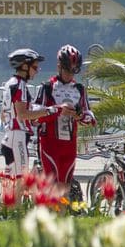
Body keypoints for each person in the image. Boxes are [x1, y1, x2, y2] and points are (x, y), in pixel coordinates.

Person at [37, 44, 97, 194]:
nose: (70, 74)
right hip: (49, 144)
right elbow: (34, 117)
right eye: (67, 70)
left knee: (64, 189)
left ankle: (62, 217)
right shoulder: (47, 87)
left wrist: (80, 116)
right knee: (51, 188)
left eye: (74, 71)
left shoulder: (79, 89)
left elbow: (90, 117)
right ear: (59, 66)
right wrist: (58, 111)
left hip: (69, 146)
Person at [0, 47, 59, 178]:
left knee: (11, 181)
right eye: (35, 68)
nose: (37, 71)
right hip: (18, 138)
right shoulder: (20, 86)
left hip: (9, 136)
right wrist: (49, 111)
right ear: (25, 66)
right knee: (20, 181)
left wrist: (32, 116)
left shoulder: (9, 84)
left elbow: (3, 116)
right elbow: (22, 114)